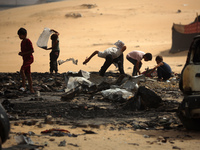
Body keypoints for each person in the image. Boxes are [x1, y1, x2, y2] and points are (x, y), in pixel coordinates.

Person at [17, 28, 34, 93]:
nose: (19, 37)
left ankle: (23, 86)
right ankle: (31, 89)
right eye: (19, 35)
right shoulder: (22, 42)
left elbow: (32, 50)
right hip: (25, 59)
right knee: (28, 74)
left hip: (29, 59)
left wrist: (23, 53)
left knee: (22, 70)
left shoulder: (28, 41)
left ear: (25, 35)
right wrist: (21, 54)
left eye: (21, 35)